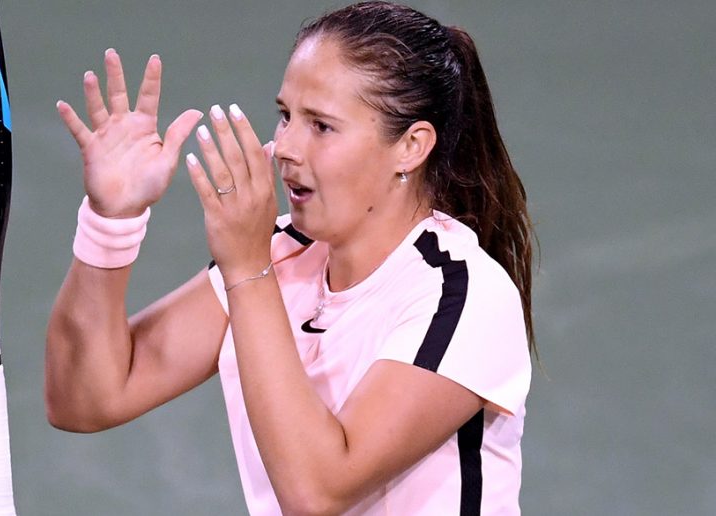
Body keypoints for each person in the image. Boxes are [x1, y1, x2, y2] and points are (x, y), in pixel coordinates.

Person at [47, 1, 535, 514]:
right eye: (286, 116)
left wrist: (246, 269)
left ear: (411, 146)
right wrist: (110, 221)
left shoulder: (462, 295)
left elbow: (317, 490)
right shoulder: (280, 254)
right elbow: (85, 398)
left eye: (321, 126)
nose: (284, 147)